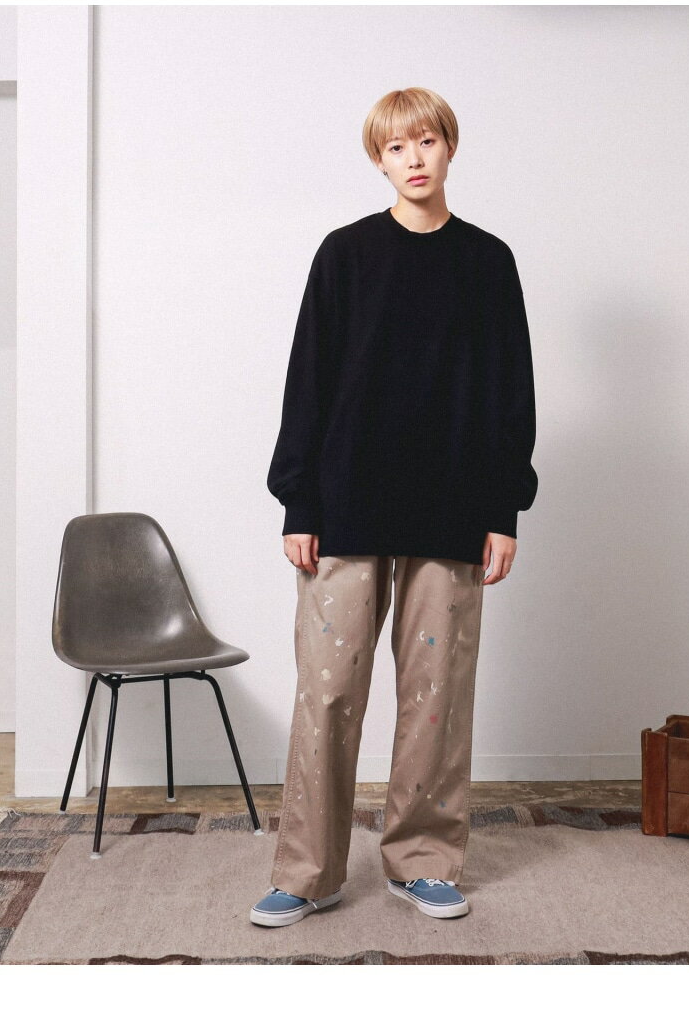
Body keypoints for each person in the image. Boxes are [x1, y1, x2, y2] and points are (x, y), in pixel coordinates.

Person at [250, 87, 538, 927]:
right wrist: (299, 501)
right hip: (345, 507)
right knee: (328, 695)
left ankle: (424, 862)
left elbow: (510, 392)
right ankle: (308, 872)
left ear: (450, 147)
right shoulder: (344, 254)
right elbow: (309, 379)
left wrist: (503, 510)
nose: (414, 159)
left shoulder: (488, 261)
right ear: (378, 161)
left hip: (452, 511)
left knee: (435, 699)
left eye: (427, 142)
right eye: (397, 147)